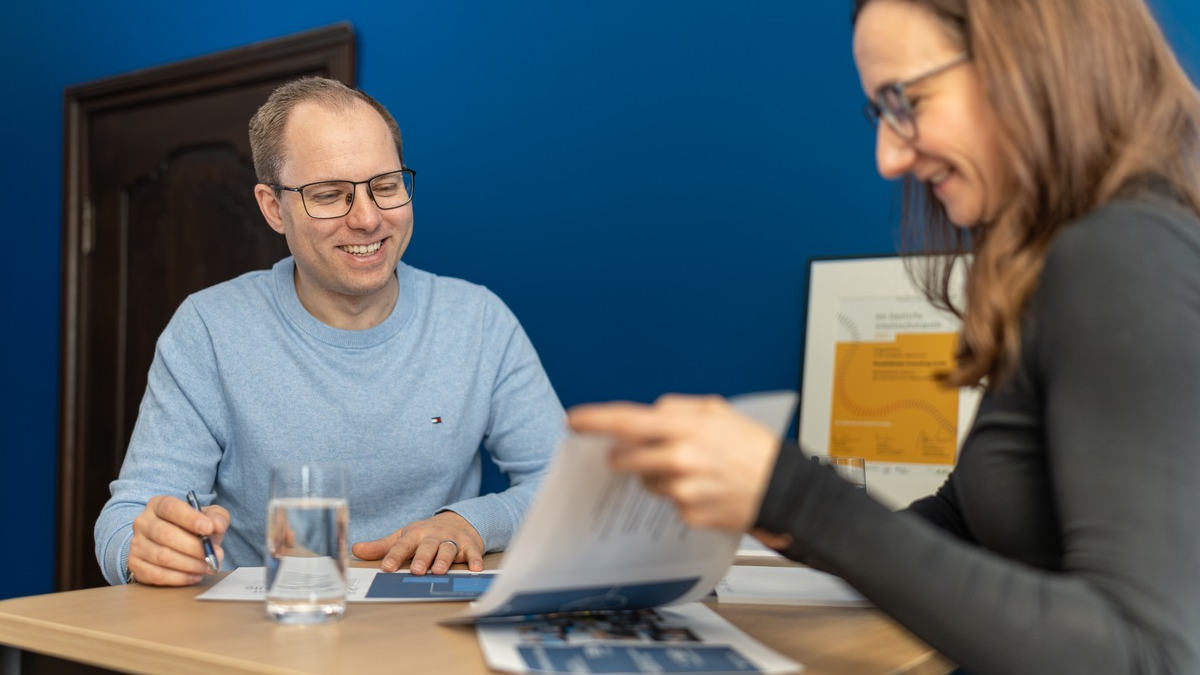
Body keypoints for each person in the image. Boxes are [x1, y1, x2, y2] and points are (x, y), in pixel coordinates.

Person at [569, 1, 1200, 673]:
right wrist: (776, 508)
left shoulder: (1119, 253)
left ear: (1032, 63)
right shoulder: (1072, 261)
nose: (889, 156)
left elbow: (1147, 654)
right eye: (881, 112)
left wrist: (793, 491)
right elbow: (970, 526)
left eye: (907, 100)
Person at [95, 77, 565, 587]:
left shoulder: (479, 320)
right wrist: (142, 547)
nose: (367, 219)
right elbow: (130, 516)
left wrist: (471, 522)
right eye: (329, 195)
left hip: (427, 636)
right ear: (274, 208)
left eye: (385, 186)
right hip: (267, 641)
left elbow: (565, 486)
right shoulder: (208, 328)